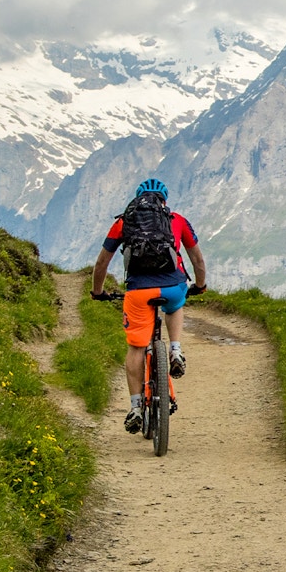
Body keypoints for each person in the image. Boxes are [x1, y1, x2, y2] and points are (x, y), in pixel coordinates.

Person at [91, 178, 207, 433]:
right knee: (176, 305)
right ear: (164, 200)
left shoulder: (124, 221)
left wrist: (97, 292)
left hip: (138, 292)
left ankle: (134, 407)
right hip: (173, 286)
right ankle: (175, 350)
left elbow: (102, 264)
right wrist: (199, 286)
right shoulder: (177, 220)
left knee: (136, 347)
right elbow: (197, 259)